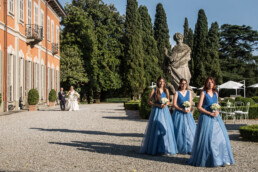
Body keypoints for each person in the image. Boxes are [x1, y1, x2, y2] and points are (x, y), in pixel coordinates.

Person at [188, 77, 235, 167]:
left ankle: (223, 158)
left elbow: (216, 105)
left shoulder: (216, 93)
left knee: (221, 138)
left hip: (216, 118)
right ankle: (209, 159)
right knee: (208, 139)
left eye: (211, 82)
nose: (210, 84)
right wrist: (209, 113)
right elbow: (199, 107)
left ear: (214, 84)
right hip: (206, 117)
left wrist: (217, 111)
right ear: (205, 84)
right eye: (208, 82)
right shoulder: (203, 93)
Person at [140, 76, 178, 155]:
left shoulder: (166, 90)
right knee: (155, 128)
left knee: (166, 128)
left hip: (165, 111)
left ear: (164, 82)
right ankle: (155, 148)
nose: (161, 83)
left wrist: (165, 104)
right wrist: (157, 105)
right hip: (156, 111)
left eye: (163, 81)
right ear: (158, 82)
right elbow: (149, 101)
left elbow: (168, 101)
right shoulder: (154, 90)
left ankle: (165, 147)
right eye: (160, 81)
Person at [172, 79, 196, 154]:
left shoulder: (189, 92)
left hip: (187, 114)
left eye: (185, 84)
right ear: (179, 84)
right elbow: (174, 104)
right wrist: (181, 109)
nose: (183, 85)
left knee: (189, 130)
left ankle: (190, 147)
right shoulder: (177, 93)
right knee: (178, 130)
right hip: (179, 114)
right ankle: (179, 147)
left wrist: (188, 108)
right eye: (182, 84)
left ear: (186, 85)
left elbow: (190, 103)